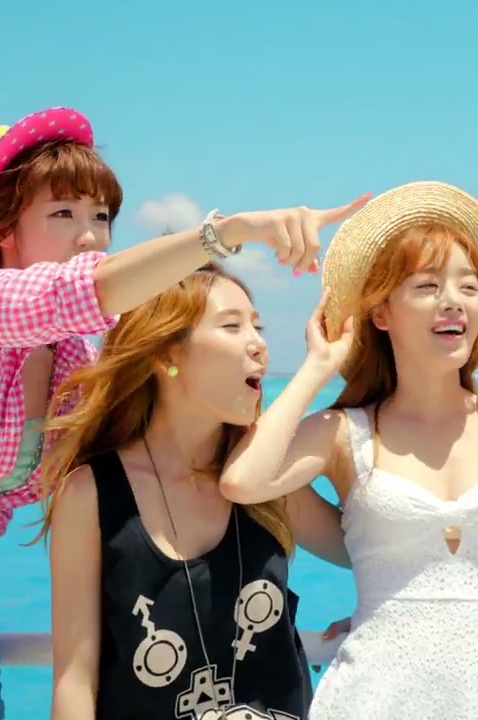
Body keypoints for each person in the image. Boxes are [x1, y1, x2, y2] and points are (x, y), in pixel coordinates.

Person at [0, 104, 367, 720]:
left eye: (101, 217)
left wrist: (385, 600)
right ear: (3, 229)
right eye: (64, 214)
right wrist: (231, 231)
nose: (90, 235)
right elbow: (82, 291)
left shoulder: (78, 361)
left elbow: (171, 397)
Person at [218, 181, 478, 719]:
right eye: (427, 286)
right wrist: (318, 367)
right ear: (382, 313)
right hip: (374, 698)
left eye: (469, 287)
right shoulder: (345, 433)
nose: (453, 300)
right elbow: (244, 481)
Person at [37, 263, 349, 720]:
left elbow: (375, 554)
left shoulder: (264, 482)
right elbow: (74, 680)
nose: (258, 344)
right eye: (232, 326)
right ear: (167, 355)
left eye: (258, 326)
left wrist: (378, 618)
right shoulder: (92, 495)